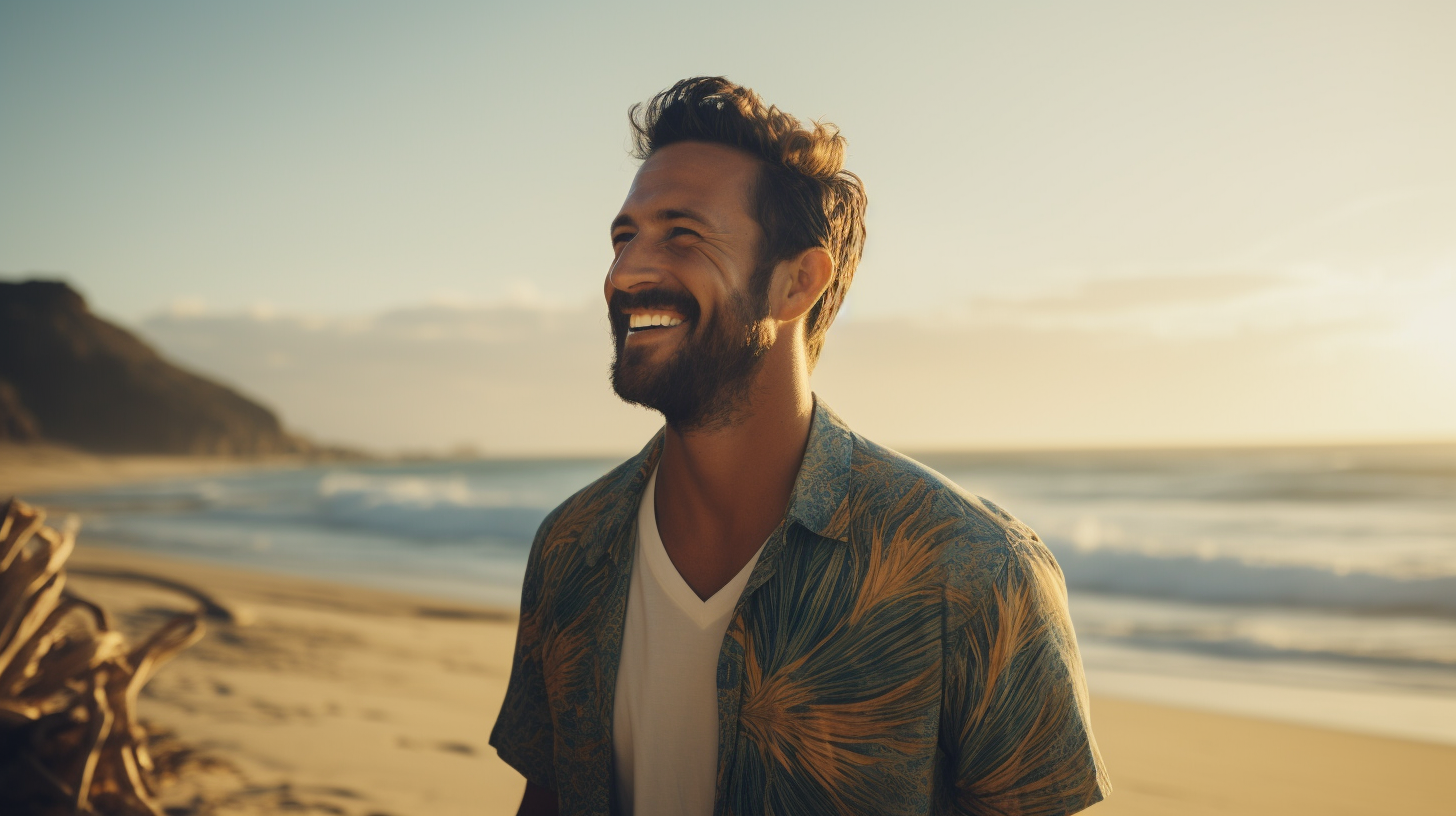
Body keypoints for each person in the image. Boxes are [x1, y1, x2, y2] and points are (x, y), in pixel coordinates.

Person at [490, 76, 1111, 816]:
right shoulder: (572, 547)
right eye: (625, 237)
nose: (627, 272)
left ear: (796, 282)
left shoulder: (972, 575)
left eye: (682, 234)